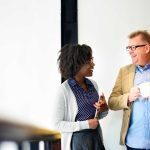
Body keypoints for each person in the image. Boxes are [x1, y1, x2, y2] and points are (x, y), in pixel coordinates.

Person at [52, 44, 108, 150]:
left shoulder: (93, 85)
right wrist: (85, 124)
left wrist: (104, 109)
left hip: (96, 138)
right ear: (77, 64)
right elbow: (57, 124)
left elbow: (97, 117)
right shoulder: (64, 90)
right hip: (78, 142)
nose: (93, 64)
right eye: (89, 61)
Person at [108, 30, 150, 150]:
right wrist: (128, 97)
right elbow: (112, 102)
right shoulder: (124, 72)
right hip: (134, 143)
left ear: (146, 48)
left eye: (133, 47)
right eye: (128, 48)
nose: (130, 51)